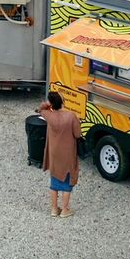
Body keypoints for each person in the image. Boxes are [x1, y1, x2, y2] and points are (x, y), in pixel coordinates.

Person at [40, 90, 82, 218]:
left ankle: (53, 209)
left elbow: (40, 108)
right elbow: (77, 134)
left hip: (54, 154)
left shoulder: (48, 115)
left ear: (52, 104)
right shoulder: (71, 116)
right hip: (67, 154)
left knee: (54, 182)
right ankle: (64, 210)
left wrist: (49, 103)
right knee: (66, 183)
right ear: (63, 102)